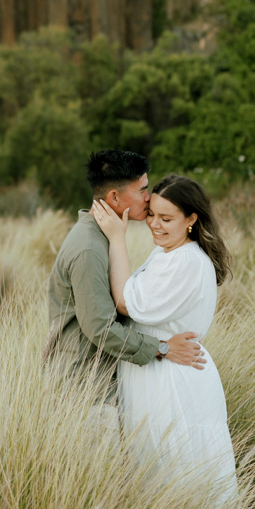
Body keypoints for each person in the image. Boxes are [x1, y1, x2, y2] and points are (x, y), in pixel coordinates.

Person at [92, 172, 238, 498]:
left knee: (177, 469)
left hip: (173, 379)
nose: (155, 224)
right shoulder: (167, 253)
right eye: (153, 215)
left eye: (167, 218)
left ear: (191, 219)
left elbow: (125, 302)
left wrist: (117, 239)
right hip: (157, 366)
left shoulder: (186, 261)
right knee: (155, 469)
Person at [45, 149, 206, 436]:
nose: (149, 196)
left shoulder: (103, 237)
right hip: (85, 393)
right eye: (142, 189)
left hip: (100, 387)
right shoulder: (88, 249)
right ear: (114, 199)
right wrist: (164, 348)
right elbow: (100, 329)